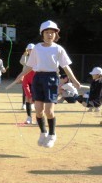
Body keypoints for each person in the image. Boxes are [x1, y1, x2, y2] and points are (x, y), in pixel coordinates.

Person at [14, 20, 81, 148]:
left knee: (49, 111)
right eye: (47, 32)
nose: (50, 35)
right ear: (42, 34)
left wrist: (74, 80)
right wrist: (20, 75)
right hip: (38, 78)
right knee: (38, 111)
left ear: (56, 35)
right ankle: (43, 133)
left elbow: (66, 66)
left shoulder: (58, 49)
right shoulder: (37, 48)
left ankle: (52, 135)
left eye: (52, 32)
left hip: (51, 79)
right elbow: (30, 65)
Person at [20, 44, 36, 111]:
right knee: (24, 92)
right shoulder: (26, 57)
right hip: (26, 77)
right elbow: (22, 62)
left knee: (33, 91)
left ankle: (32, 104)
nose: (30, 51)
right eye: (29, 49)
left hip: (34, 77)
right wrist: (24, 55)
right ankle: (23, 104)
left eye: (32, 49)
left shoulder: (37, 58)